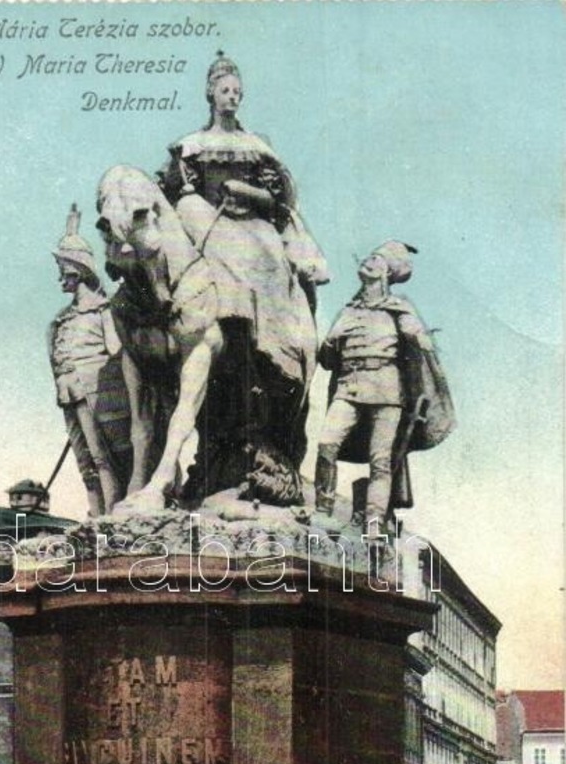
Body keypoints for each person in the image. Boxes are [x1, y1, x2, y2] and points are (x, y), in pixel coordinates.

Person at [158, 54, 328, 501]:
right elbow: (172, 190)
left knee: (268, 254)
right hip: (205, 220)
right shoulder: (191, 144)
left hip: (250, 224)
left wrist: (248, 196)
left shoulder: (257, 144)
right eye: (224, 89)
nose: (231, 96)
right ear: (210, 93)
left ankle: (267, 336)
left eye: (237, 91)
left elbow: (278, 197)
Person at [316, 241, 455, 534]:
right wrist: (330, 341)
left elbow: (415, 334)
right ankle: (322, 509)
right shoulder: (348, 312)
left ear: (387, 272)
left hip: (387, 392)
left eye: (376, 259)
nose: (368, 261)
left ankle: (374, 522)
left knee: (381, 460)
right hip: (349, 387)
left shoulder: (398, 308)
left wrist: (419, 336)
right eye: (369, 257)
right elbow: (327, 361)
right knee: (326, 443)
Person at [48, 204, 131, 516]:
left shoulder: (102, 310)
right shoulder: (62, 319)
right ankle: (94, 516)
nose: (60, 280)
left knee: (102, 457)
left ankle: (110, 515)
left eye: (63, 272)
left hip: (96, 392)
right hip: (68, 392)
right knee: (85, 462)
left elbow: (117, 352)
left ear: (76, 272)